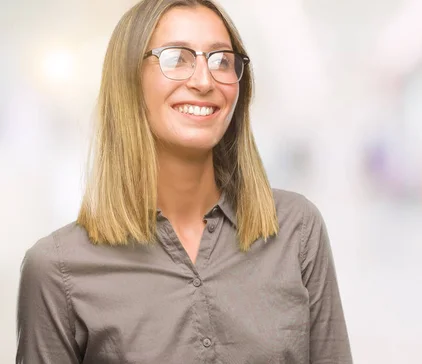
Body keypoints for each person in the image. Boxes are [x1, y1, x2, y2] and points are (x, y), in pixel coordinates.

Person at [16, 1, 353, 363]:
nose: (205, 81)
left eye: (222, 60)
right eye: (177, 58)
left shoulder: (297, 230)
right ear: (129, 78)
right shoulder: (56, 270)